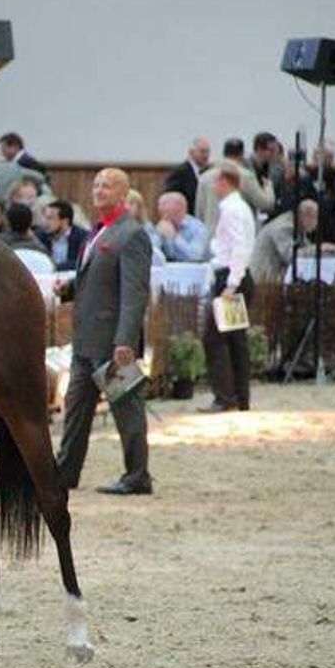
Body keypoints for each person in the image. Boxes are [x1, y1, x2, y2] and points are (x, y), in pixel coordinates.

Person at [56, 168, 152, 496]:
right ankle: (65, 471)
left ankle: (138, 475)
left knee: (127, 409)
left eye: (107, 186)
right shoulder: (96, 231)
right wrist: (69, 288)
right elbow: (94, 279)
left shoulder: (131, 234)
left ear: (123, 194)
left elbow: (134, 293)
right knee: (75, 409)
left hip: (112, 342)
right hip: (86, 341)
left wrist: (125, 341)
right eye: (96, 184)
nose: (98, 190)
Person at [199, 162, 256, 413]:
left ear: (224, 181)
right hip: (236, 277)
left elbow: (239, 248)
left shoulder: (232, 210)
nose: (214, 187)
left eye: (215, 182)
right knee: (235, 339)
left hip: (231, 278)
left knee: (215, 338)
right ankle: (240, 397)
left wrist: (232, 284)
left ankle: (225, 396)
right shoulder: (239, 207)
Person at [196, 138, 275, 232]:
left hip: (210, 236)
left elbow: (199, 213)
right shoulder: (246, 176)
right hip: (237, 235)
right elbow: (266, 204)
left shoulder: (204, 177)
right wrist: (268, 187)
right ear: (241, 155)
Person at [250, 198, 318, 284]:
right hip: (262, 282)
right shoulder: (284, 227)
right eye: (315, 218)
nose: (316, 224)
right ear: (306, 216)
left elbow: (306, 249)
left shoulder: (297, 226)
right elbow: (290, 255)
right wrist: (320, 248)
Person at [151, 191, 209, 262]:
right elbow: (152, 253)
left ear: (181, 211)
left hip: (193, 268)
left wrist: (175, 237)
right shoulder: (164, 224)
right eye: (161, 213)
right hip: (169, 267)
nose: (164, 217)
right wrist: (157, 235)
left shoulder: (198, 228)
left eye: (167, 213)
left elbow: (195, 256)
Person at [163, 137, 210, 215]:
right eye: (202, 151)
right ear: (191, 152)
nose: (206, 155)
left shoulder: (208, 172)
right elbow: (170, 198)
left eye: (208, 152)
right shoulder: (179, 172)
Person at [40, 200, 88, 271]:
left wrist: (55, 267)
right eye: (45, 218)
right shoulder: (41, 235)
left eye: (50, 218)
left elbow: (80, 262)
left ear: (65, 221)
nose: (45, 222)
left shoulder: (82, 237)